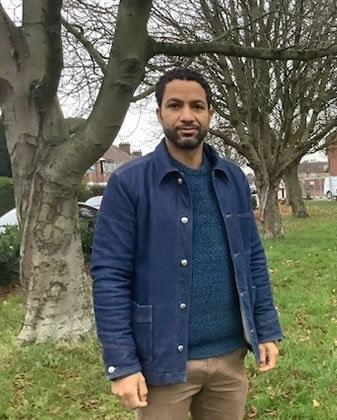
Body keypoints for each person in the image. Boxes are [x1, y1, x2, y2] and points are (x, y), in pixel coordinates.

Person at [91, 67, 283, 420]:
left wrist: (266, 328)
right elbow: (109, 276)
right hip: (163, 363)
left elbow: (251, 256)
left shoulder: (232, 177)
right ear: (159, 113)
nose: (187, 116)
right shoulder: (129, 184)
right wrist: (121, 362)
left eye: (197, 106)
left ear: (209, 112)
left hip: (229, 358)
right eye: (175, 105)